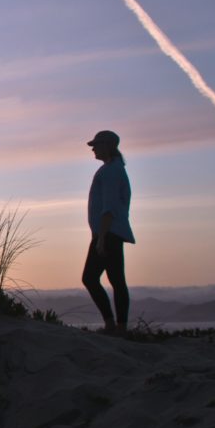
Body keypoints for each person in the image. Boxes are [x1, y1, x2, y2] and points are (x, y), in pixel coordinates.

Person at [82, 130, 135, 333]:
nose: (93, 148)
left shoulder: (110, 172)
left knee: (90, 278)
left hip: (108, 233)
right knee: (116, 279)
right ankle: (118, 326)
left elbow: (109, 208)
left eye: (96, 144)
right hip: (111, 232)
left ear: (107, 146)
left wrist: (101, 238)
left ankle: (113, 324)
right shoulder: (114, 169)